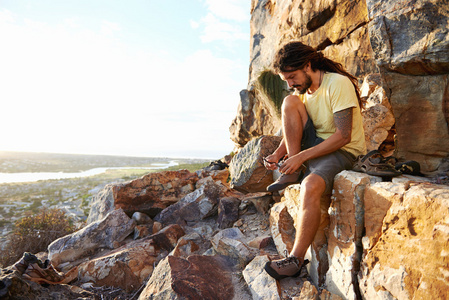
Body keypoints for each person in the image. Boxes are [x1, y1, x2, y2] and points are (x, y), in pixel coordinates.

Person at [263, 41, 366, 280]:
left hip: (342, 151)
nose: (290, 83)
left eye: (292, 77)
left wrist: (300, 157)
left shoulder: (337, 84)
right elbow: (296, 126)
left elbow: (343, 136)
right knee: (289, 102)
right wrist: (280, 154)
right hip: (316, 145)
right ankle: (290, 171)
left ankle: (295, 260)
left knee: (310, 186)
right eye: (286, 80)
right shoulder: (302, 92)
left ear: (308, 66)